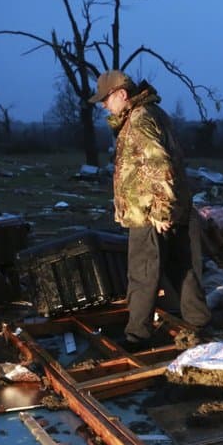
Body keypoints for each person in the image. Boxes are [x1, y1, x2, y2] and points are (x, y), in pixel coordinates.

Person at [89, 69, 212, 348]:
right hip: (174, 207)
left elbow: (160, 165)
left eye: (106, 100)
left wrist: (160, 211)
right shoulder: (154, 113)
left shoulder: (139, 119)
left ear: (121, 94)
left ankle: (137, 336)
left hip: (149, 213)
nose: (103, 106)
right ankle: (198, 321)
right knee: (181, 267)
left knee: (142, 273)